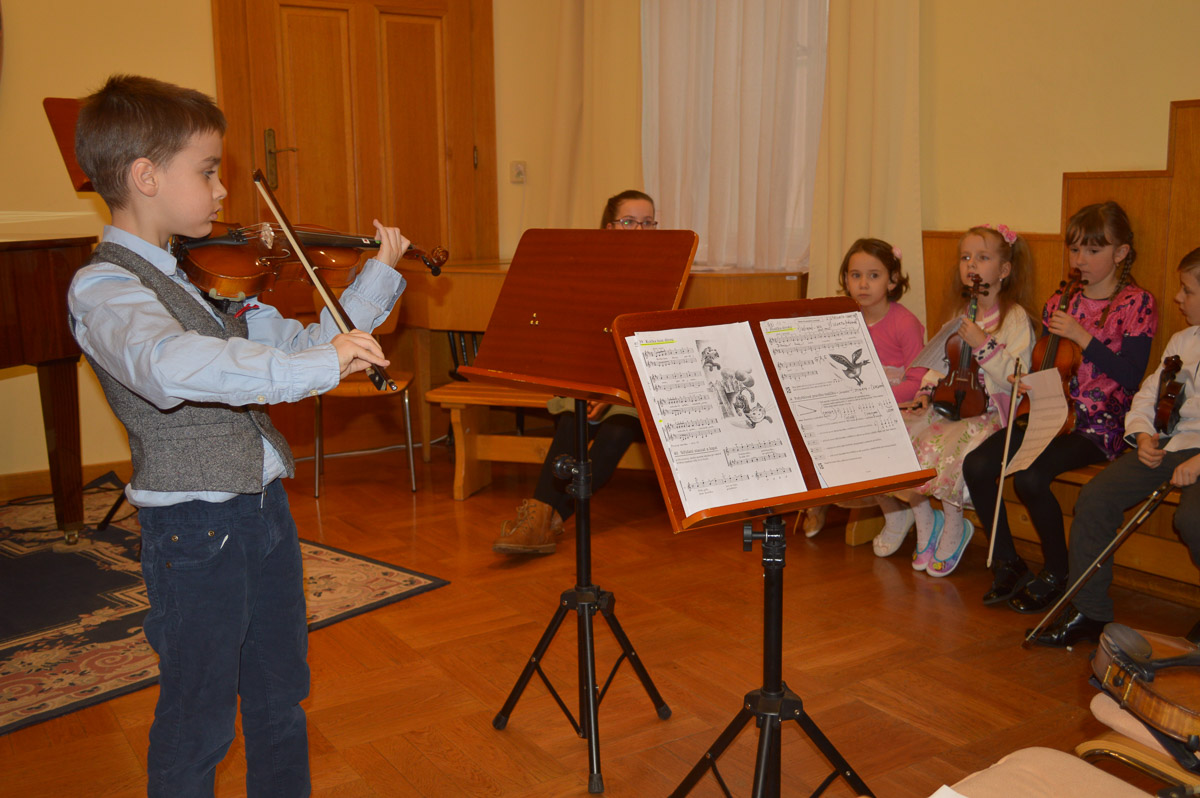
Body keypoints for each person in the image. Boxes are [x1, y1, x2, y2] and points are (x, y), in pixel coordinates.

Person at [67, 74, 408, 796]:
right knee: (199, 719)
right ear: (146, 176)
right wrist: (319, 363)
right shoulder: (106, 290)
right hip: (193, 530)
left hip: (264, 515)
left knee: (281, 693)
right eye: (207, 171)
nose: (223, 190)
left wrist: (375, 280)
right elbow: (173, 364)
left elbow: (303, 344)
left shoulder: (206, 280)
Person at [964, 202, 1157, 613]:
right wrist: (1026, 380)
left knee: (1030, 478)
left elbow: (1131, 375)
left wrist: (1084, 337)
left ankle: (1058, 571)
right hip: (1050, 409)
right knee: (977, 465)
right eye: (1074, 249)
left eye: (1093, 250)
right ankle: (1008, 563)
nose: (1080, 260)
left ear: (1121, 253)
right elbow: (1049, 365)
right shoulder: (1060, 301)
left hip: (1100, 423)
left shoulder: (1137, 303)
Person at [1031, 246, 1200, 648]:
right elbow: (1150, 393)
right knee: (1096, 497)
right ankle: (1089, 611)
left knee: (1192, 519)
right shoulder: (1183, 340)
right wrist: (1142, 434)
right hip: (1170, 444)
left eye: (1188, 291)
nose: (1178, 298)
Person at [492, 190, 656, 554]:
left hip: (635, 386)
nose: (639, 230)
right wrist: (596, 390)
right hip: (591, 377)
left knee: (615, 434)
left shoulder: (664, 274)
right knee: (573, 421)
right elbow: (583, 340)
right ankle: (541, 518)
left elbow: (651, 345)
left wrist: (616, 391)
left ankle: (545, 521)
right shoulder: (591, 271)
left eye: (647, 223)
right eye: (629, 222)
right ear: (609, 227)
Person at [878, 225, 1035, 577]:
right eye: (966, 257)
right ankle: (924, 519)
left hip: (989, 412)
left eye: (982, 257)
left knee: (951, 448)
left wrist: (983, 344)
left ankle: (954, 521)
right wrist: (925, 392)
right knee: (902, 437)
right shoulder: (962, 312)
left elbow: (1018, 376)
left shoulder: (1014, 318)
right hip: (952, 404)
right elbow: (941, 363)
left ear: (1004, 269)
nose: (971, 265)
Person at [801, 238, 927, 542]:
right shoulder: (843, 319)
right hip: (854, 402)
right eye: (855, 275)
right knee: (810, 424)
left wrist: (877, 399)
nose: (863, 284)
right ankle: (817, 501)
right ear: (845, 279)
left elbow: (918, 380)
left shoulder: (905, 323)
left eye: (874, 275)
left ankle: (896, 512)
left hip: (896, 407)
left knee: (865, 440)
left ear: (892, 280)